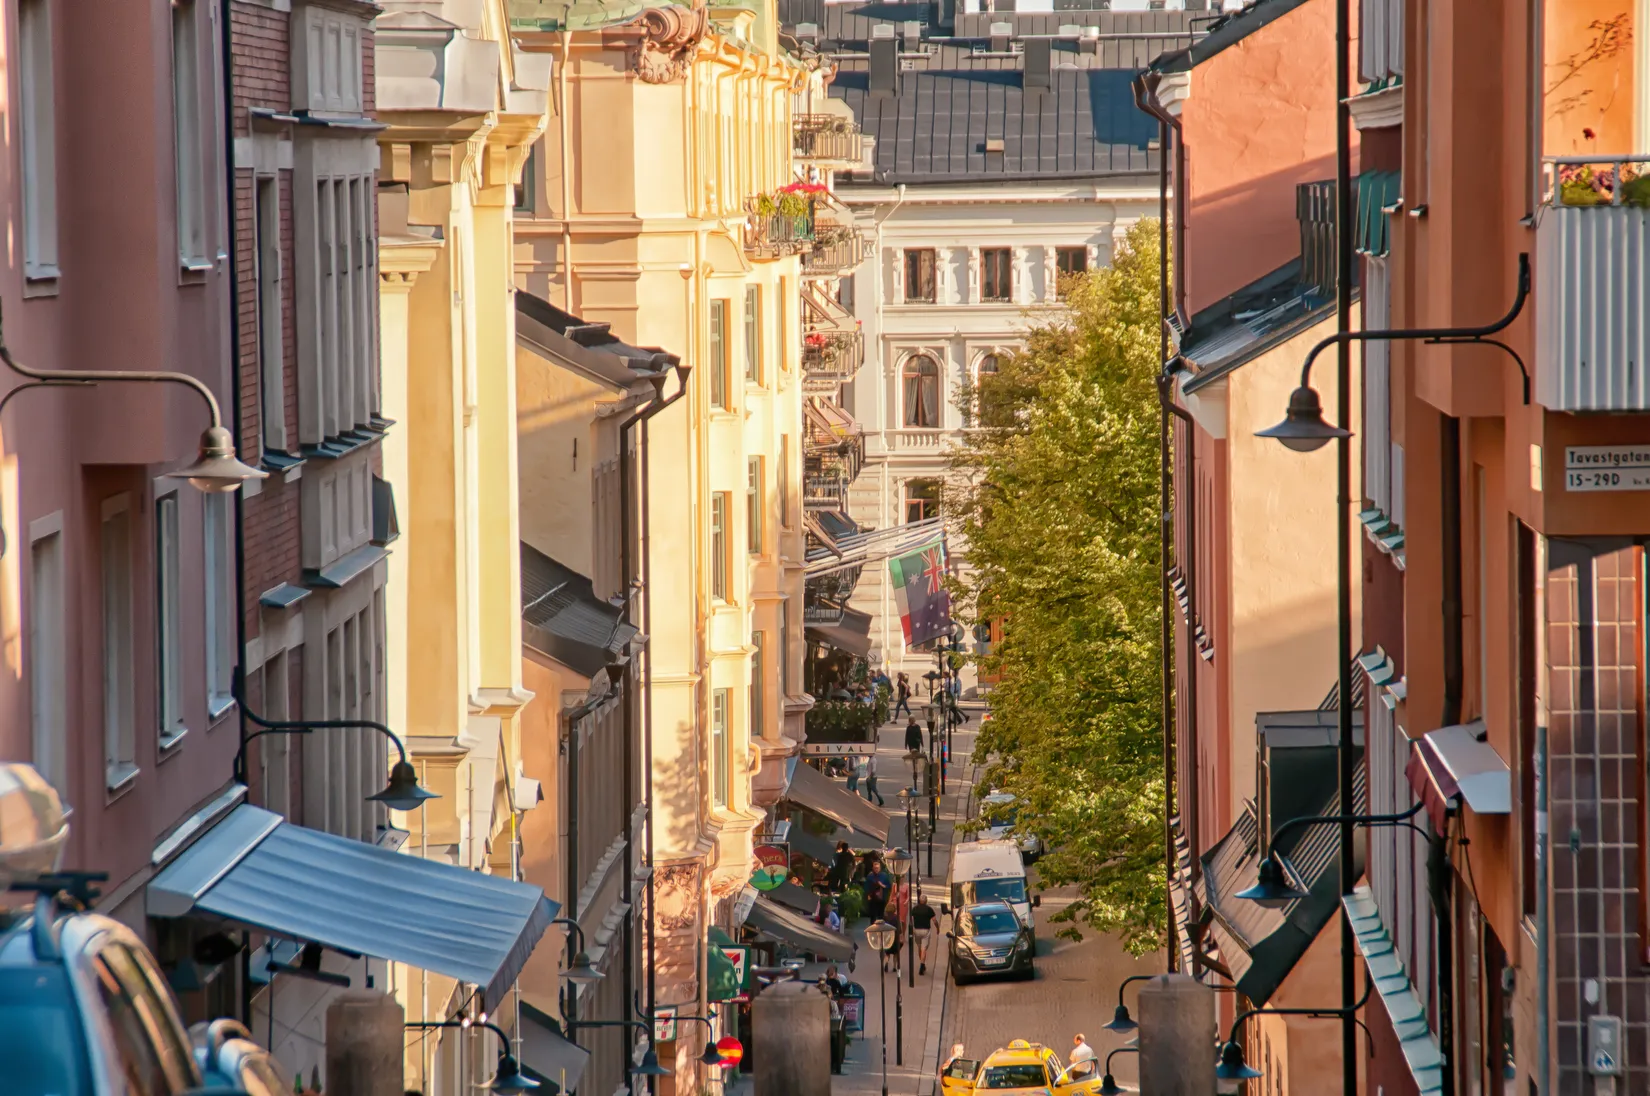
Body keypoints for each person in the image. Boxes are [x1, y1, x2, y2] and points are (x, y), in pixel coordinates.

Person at [911, 894, 938, 975]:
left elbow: (911, 919)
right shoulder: (929, 909)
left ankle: (922, 963)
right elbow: (934, 921)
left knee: (919, 947)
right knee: (923, 949)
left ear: (919, 901)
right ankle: (922, 964)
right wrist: (938, 928)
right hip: (925, 930)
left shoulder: (915, 909)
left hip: (916, 930)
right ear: (926, 901)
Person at [864, 859, 892, 923]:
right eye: (875, 868)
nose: (876, 869)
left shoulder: (884, 876)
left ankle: (881, 927)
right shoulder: (870, 876)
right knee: (872, 915)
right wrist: (868, 894)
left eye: (877, 868)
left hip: (881, 898)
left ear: (880, 868)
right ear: (873, 868)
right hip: (872, 898)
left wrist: (882, 885)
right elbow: (866, 886)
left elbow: (888, 886)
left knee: (881, 915)